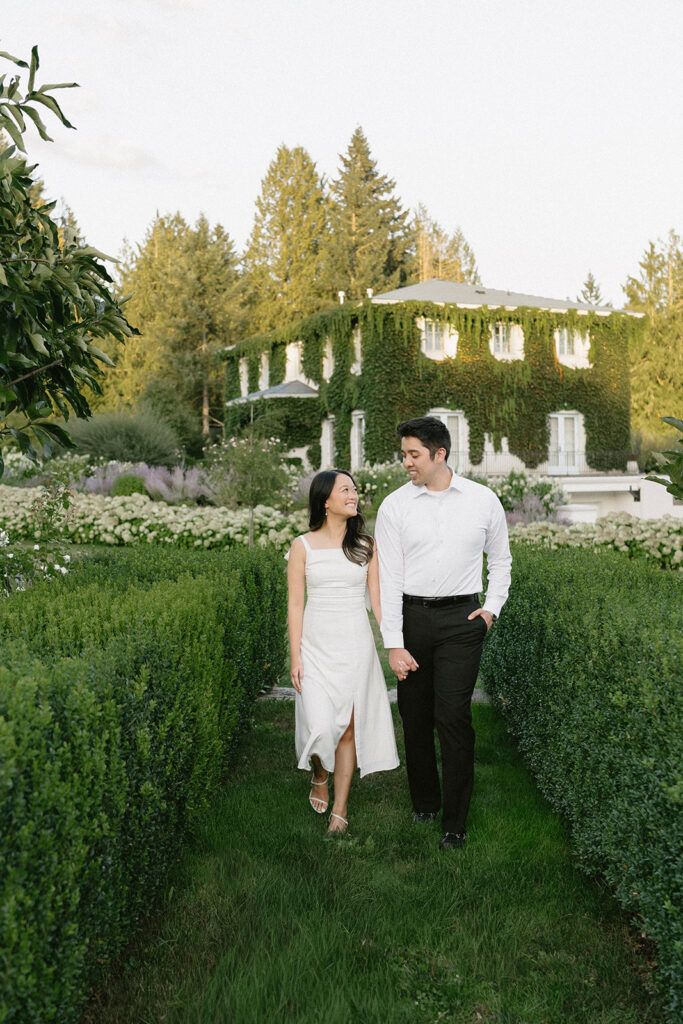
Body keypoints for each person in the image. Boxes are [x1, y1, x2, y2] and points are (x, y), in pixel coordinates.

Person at [374, 417, 511, 851]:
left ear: (440, 454)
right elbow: (389, 578)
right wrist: (394, 642)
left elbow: (502, 561)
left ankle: (454, 822)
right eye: (403, 454)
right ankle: (425, 802)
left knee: (453, 717)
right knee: (414, 717)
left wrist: (490, 610)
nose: (406, 462)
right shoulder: (394, 506)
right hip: (412, 620)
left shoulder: (482, 500)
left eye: (414, 454)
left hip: (462, 622)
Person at [288, 469, 399, 834]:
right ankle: (319, 773)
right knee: (320, 725)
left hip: (355, 645)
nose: (353, 495)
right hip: (316, 646)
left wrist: (395, 644)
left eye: (354, 489)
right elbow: (295, 606)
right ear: (325, 501)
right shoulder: (301, 546)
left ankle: (340, 809)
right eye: (345, 490)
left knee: (349, 729)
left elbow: (378, 603)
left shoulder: (366, 545)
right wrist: (295, 656)